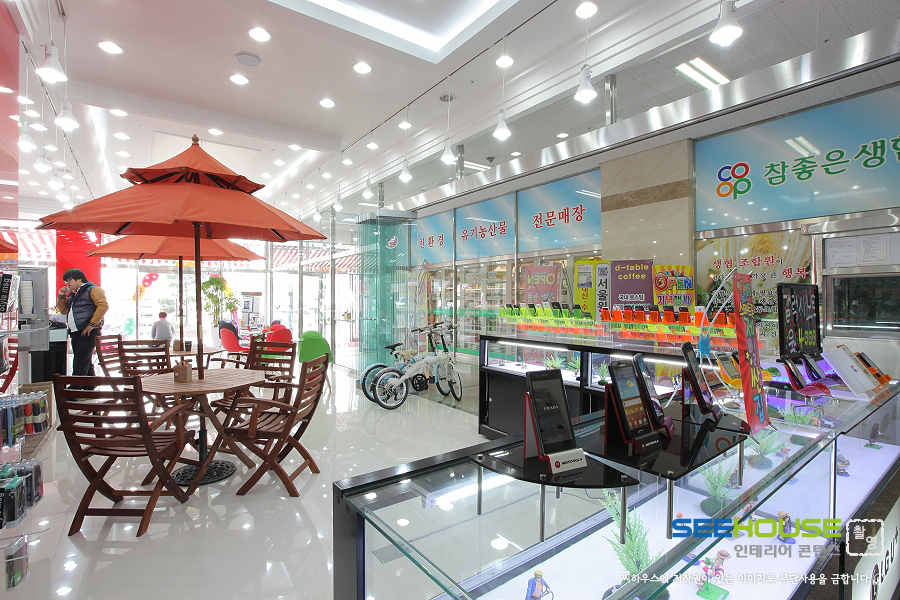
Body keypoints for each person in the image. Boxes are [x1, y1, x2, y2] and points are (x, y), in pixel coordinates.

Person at [56, 269, 108, 389]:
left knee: (80, 362)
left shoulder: (93, 290)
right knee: (85, 361)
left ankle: (73, 391)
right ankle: (90, 387)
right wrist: (61, 297)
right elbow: (64, 311)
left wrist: (92, 324)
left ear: (79, 279)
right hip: (76, 332)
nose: (67, 283)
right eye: (66, 281)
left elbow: (103, 306)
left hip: (87, 331)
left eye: (69, 280)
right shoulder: (74, 294)